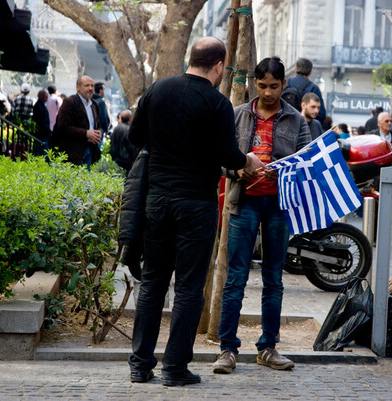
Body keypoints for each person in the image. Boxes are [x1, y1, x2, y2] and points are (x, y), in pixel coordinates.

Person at [126, 37, 262, 386]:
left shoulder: (157, 90)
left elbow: (135, 137)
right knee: (188, 288)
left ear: (191, 58)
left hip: (156, 201)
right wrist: (249, 160)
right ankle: (174, 369)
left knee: (153, 283)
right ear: (219, 66)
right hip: (197, 206)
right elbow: (229, 156)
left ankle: (140, 366)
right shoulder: (217, 104)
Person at [213, 56, 310, 375]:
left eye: (274, 86)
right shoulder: (238, 115)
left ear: (284, 84)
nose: (268, 92)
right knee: (236, 277)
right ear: (255, 83)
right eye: (263, 85)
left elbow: (306, 165)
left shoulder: (297, 120)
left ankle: (268, 347)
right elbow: (222, 160)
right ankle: (227, 350)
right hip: (244, 203)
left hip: (278, 207)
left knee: (274, 278)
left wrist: (281, 175)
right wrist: (238, 168)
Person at [52, 76, 102, 170]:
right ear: (78, 87)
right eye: (87, 85)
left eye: (92, 86)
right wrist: (86, 133)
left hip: (90, 149)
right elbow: (63, 127)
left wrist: (98, 132)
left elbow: (98, 124)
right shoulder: (70, 102)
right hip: (72, 151)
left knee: (85, 180)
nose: (90, 88)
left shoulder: (95, 105)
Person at [285, 58, 326, 125]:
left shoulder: (285, 84)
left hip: (285, 125)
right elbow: (321, 114)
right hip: (305, 127)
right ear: (310, 72)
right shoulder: (313, 88)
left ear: (295, 69)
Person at [109, 109, 139, 175]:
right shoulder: (129, 129)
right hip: (126, 159)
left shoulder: (117, 128)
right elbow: (131, 146)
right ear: (130, 119)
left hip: (116, 158)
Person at [31, 88, 50, 156]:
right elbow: (42, 120)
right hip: (42, 133)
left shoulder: (40, 105)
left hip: (42, 133)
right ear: (41, 96)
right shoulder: (39, 106)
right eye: (46, 95)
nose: (47, 97)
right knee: (43, 152)